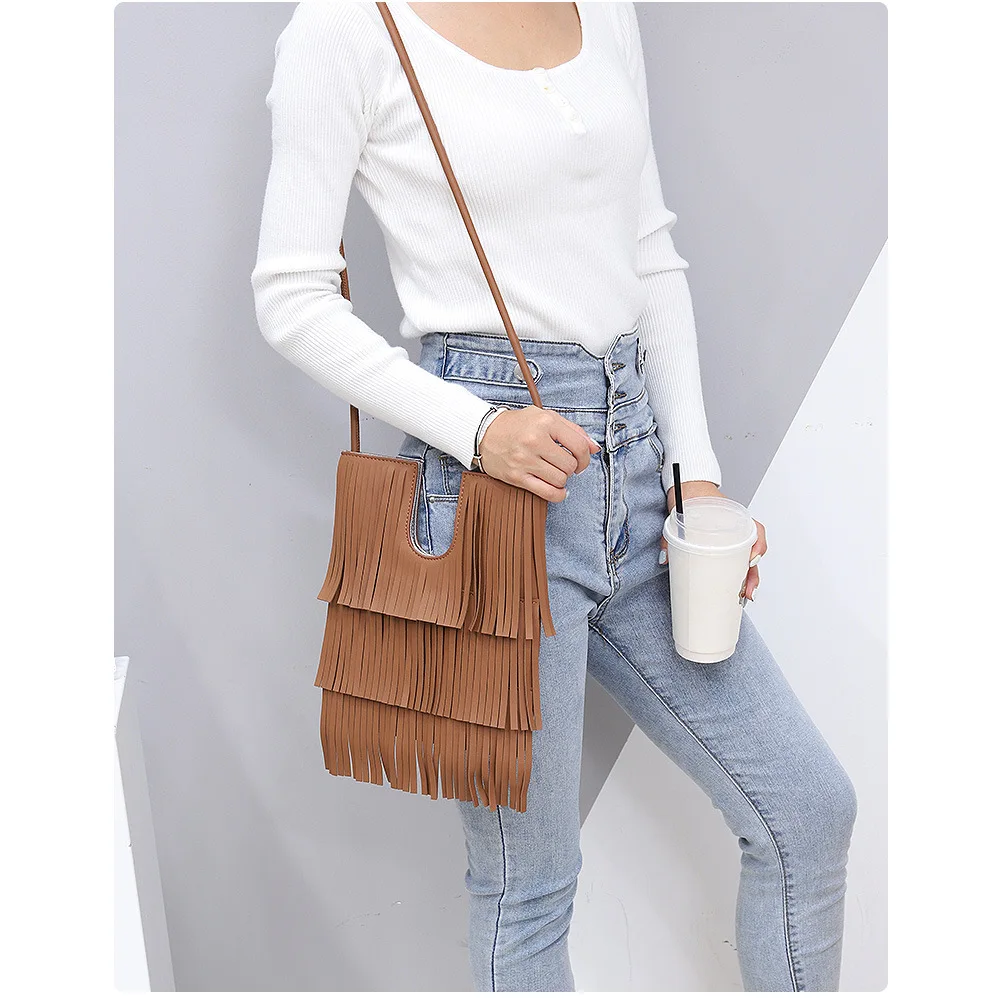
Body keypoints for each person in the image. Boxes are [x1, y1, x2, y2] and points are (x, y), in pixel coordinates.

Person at [251, 2, 858, 991]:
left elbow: (648, 251)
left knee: (807, 809)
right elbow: (290, 296)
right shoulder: (348, 28)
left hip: (639, 470)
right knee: (529, 883)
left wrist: (694, 480)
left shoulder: (602, 7)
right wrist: (478, 430)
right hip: (493, 498)